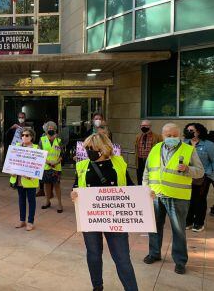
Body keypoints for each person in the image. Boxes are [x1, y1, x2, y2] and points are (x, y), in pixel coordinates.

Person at [71, 133, 139, 291]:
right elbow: (76, 186)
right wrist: (74, 193)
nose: (88, 151)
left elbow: (129, 185)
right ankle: (97, 286)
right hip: (91, 218)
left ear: (102, 148)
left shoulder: (119, 163)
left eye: (91, 148)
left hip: (115, 218)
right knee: (94, 254)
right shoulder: (82, 166)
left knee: (122, 258)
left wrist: (144, 194)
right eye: (86, 148)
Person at [143, 123, 204, 275]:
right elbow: (147, 171)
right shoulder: (155, 148)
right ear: (162, 135)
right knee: (154, 227)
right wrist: (146, 190)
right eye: (168, 135)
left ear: (179, 136)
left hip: (178, 197)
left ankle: (180, 261)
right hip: (156, 195)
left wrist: (188, 169)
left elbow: (200, 172)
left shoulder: (188, 150)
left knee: (178, 231)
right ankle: (154, 253)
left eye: (175, 135)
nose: (172, 138)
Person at [183, 123, 214, 232]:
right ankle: (189, 221)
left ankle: (199, 223)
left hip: (203, 176)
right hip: (188, 175)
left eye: (192, 130)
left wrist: (210, 174)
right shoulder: (184, 144)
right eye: (187, 130)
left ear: (199, 132)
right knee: (189, 199)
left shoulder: (208, 145)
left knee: (200, 199)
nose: (189, 132)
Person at [10, 127, 38, 231]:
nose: (24, 137)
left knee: (31, 201)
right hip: (19, 179)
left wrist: (31, 174)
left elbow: (38, 164)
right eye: (23, 135)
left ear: (31, 137)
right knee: (21, 200)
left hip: (30, 180)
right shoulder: (17, 146)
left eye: (27, 135)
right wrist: (11, 170)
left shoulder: (36, 148)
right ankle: (22, 220)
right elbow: (12, 161)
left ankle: (30, 222)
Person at [40, 121, 64, 213]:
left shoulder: (58, 140)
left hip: (56, 166)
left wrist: (56, 162)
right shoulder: (42, 139)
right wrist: (48, 162)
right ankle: (47, 201)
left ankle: (59, 204)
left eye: (52, 128)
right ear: (46, 130)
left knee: (57, 185)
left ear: (55, 129)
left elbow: (62, 154)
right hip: (46, 166)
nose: (51, 129)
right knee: (46, 185)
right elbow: (40, 153)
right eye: (49, 128)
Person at [135, 120, 162, 185]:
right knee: (140, 177)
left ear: (150, 126)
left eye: (145, 125)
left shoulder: (157, 137)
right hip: (140, 160)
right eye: (142, 126)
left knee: (150, 177)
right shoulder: (138, 136)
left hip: (151, 160)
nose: (143, 127)